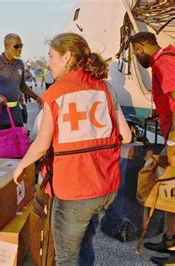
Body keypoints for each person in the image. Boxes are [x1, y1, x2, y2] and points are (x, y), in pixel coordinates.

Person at [12, 32, 131, 265]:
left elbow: (41, 145)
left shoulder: (55, 94)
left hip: (75, 188)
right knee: (84, 240)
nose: (48, 62)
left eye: (51, 56)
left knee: (66, 256)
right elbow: (125, 136)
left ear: (66, 57)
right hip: (106, 186)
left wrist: (21, 166)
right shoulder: (105, 88)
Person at [130, 31, 175, 265]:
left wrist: (173, 140)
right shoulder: (167, 58)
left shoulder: (162, 62)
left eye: (136, 54)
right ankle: (171, 239)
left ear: (140, 48)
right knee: (170, 190)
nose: (137, 59)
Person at [0, 33, 40, 133]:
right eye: (16, 46)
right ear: (6, 46)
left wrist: (37, 97)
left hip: (15, 117)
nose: (19, 49)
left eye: (21, 46)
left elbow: (22, 86)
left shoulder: (19, 64)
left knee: (17, 145)